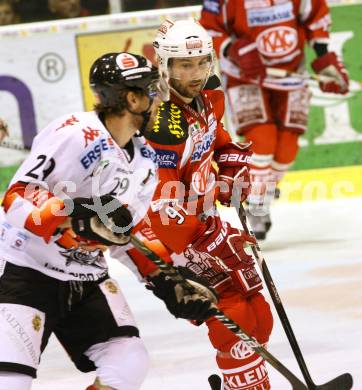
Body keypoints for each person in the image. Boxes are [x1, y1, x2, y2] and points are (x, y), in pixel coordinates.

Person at [0, 51, 217, 390]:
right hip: (25, 269)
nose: (158, 101)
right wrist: (71, 214)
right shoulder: (73, 133)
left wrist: (167, 278)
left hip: (85, 277)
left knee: (129, 361)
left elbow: (129, 235)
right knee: (10, 383)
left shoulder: (145, 160)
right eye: (152, 92)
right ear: (132, 98)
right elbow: (17, 197)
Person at [123, 20, 273, 390]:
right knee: (231, 314)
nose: (195, 73)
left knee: (258, 313)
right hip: (169, 231)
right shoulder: (164, 123)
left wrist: (233, 169)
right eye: (184, 65)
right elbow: (162, 202)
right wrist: (202, 242)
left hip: (202, 220)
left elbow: (219, 141)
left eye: (201, 62)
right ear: (165, 67)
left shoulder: (209, 96)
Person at [200, 0, 350, 239]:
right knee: (262, 138)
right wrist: (231, 48)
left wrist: (325, 59)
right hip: (245, 74)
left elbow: (315, 15)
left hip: (292, 74)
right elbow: (209, 28)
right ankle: (257, 204)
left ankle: (263, 194)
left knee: (287, 147)